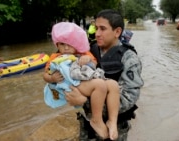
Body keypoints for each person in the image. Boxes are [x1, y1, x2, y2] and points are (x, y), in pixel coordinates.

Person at [64, 9, 144, 140]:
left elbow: (128, 99)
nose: (97, 33)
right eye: (96, 28)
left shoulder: (129, 59)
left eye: (102, 29)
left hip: (114, 128)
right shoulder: (88, 52)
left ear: (117, 32)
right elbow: (70, 79)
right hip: (87, 124)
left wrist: (85, 101)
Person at [43, 22, 120, 140]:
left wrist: (87, 59)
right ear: (57, 44)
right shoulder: (55, 58)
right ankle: (96, 119)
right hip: (73, 84)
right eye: (62, 44)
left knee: (114, 85)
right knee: (99, 85)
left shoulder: (83, 53)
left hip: (85, 80)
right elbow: (45, 75)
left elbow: (94, 64)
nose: (66, 48)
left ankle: (112, 121)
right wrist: (52, 78)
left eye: (70, 44)